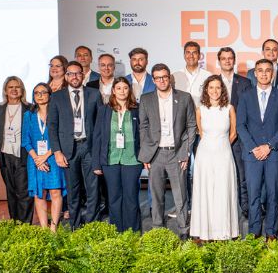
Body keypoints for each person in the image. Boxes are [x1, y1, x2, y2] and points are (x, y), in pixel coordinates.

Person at [139, 63, 197, 237]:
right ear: (153, 80)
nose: (162, 80)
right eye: (158, 78)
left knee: (180, 196)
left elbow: (191, 125)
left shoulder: (184, 97)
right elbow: (143, 127)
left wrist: (186, 152)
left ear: (169, 77)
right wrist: (146, 155)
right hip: (155, 154)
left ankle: (183, 231)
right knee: (156, 196)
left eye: (164, 77)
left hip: (177, 153)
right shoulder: (146, 99)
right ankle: (158, 231)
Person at [237, 59, 278, 238]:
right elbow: (240, 125)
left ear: (272, 74)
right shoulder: (246, 96)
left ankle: (271, 233)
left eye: (268, 70)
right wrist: (253, 148)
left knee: (273, 195)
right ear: (255, 73)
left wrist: (269, 146)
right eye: (260, 70)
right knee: (253, 195)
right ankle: (254, 233)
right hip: (252, 155)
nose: (264, 74)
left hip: (273, 153)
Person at [49, 61, 101, 228]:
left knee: (93, 189)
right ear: (66, 76)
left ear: (83, 75)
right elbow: (52, 126)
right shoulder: (57, 97)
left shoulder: (94, 94)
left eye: (78, 73)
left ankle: (92, 225)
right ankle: (75, 226)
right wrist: (57, 151)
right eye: (71, 74)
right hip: (68, 149)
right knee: (73, 191)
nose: (75, 76)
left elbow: (100, 123)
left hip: (89, 147)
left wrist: (99, 150)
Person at [190, 76, 239, 241]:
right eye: (211, 87)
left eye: (218, 87)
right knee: (205, 191)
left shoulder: (229, 109)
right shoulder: (200, 110)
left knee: (223, 191)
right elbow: (200, 132)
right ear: (206, 89)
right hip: (204, 155)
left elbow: (233, 133)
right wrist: (211, 145)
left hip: (224, 154)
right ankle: (205, 232)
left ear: (222, 89)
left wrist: (222, 144)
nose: (214, 91)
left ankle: (223, 232)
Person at [92, 77, 142, 232]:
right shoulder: (104, 110)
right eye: (118, 88)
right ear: (113, 90)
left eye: (125, 88)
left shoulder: (137, 109)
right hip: (110, 159)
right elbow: (97, 136)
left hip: (132, 160)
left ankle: (133, 232)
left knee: (131, 197)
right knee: (113, 198)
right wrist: (96, 163)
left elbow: (143, 134)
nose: (122, 91)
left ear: (129, 90)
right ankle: (117, 232)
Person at [23, 83, 66, 231]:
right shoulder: (28, 115)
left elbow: (61, 137)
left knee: (55, 191)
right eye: (36, 93)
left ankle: (53, 228)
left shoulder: (57, 113)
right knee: (39, 194)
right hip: (35, 160)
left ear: (50, 95)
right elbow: (26, 141)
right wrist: (37, 159)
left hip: (53, 157)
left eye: (43, 92)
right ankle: (43, 228)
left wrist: (45, 156)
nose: (40, 95)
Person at [217, 47, 253, 215]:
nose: (227, 61)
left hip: (239, 137)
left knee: (242, 174)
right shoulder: (212, 82)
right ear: (219, 61)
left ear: (234, 60)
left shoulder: (245, 82)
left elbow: (248, 110)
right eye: (224, 58)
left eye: (230, 58)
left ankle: (245, 207)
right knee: (220, 175)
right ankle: (223, 209)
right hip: (218, 135)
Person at [0, 76, 33, 223]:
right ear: (5, 90)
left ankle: (25, 226)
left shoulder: (30, 108)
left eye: (17, 87)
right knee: (11, 192)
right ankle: (15, 223)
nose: (14, 90)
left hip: (23, 155)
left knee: (23, 192)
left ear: (22, 90)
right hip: (4, 155)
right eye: (10, 87)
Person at [174, 41, 207, 105]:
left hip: (201, 111)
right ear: (184, 55)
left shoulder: (208, 76)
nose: (191, 56)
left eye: (194, 53)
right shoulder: (174, 76)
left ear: (199, 56)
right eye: (188, 52)